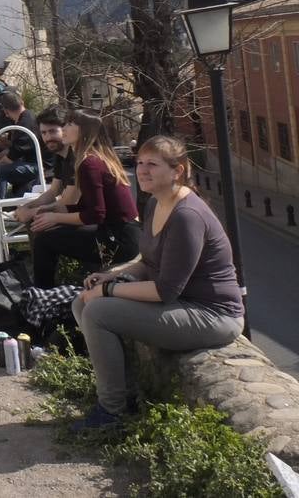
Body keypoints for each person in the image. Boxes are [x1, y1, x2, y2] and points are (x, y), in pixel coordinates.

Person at [70, 136, 244, 431]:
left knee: (98, 312)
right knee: (82, 300)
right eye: (139, 163)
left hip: (214, 315)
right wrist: (113, 275)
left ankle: (113, 412)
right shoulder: (155, 202)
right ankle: (124, 392)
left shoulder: (187, 215)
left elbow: (165, 290)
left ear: (178, 171)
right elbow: (148, 262)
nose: (142, 170)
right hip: (181, 302)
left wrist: (108, 290)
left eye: (152, 164)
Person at [29, 108, 140, 288]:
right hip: (122, 234)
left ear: (85, 130)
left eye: (70, 124)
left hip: (118, 242)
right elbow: (90, 208)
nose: (63, 128)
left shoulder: (89, 163)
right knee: (48, 229)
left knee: (44, 240)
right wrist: (49, 212)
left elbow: (96, 215)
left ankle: (42, 296)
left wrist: (55, 216)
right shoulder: (94, 158)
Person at [13, 106, 80, 224]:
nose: (48, 138)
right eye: (44, 133)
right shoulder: (61, 156)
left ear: (64, 130)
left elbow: (69, 201)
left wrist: (33, 212)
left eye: (53, 131)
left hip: (94, 220)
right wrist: (26, 207)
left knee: (41, 231)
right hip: (77, 214)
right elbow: (53, 191)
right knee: (36, 225)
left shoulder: (76, 157)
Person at [0, 91, 44, 209]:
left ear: (6, 111)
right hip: (28, 161)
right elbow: (14, 147)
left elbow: (10, 158)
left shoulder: (24, 125)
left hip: (36, 166)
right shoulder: (26, 116)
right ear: (22, 101)